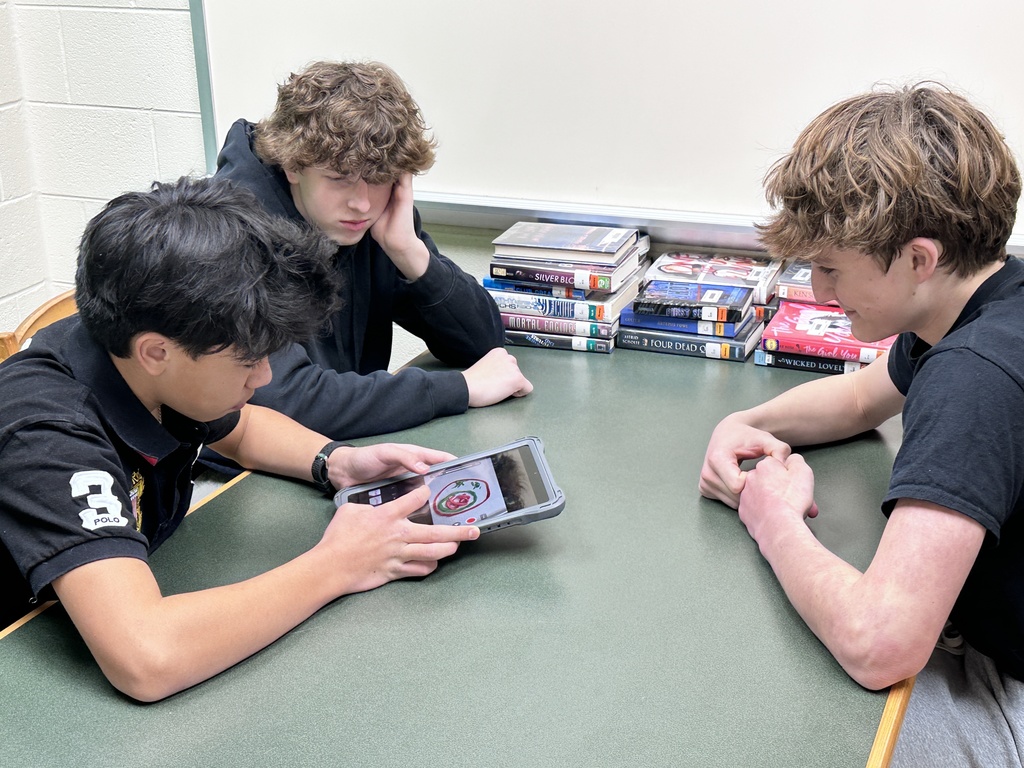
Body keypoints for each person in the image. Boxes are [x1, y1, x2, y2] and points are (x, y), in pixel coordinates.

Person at [0, 177, 480, 702]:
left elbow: (243, 428)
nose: (266, 379)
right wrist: (338, 564)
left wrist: (336, 461)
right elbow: (147, 656)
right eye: (248, 362)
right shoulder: (49, 434)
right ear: (156, 353)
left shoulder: (148, 361)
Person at [698, 83, 1024, 766]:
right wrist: (745, 419)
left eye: (829, 268)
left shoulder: (974, 377)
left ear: (918, 259)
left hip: (1011, 691)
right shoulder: (983, 300)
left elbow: (880, 644)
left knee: (779, 735)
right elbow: (859, 400)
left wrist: (771, 515)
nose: (817, 293)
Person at [215, 59, 532, 442]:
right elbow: (281, 399)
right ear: (292, 165)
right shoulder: (232, 235)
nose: (362, 204)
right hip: (239, 476)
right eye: (339, 179)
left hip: (348, 447)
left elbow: (483, 344)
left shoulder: (372, 225)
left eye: (379, 180)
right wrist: (459, 389)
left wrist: (409, 252)